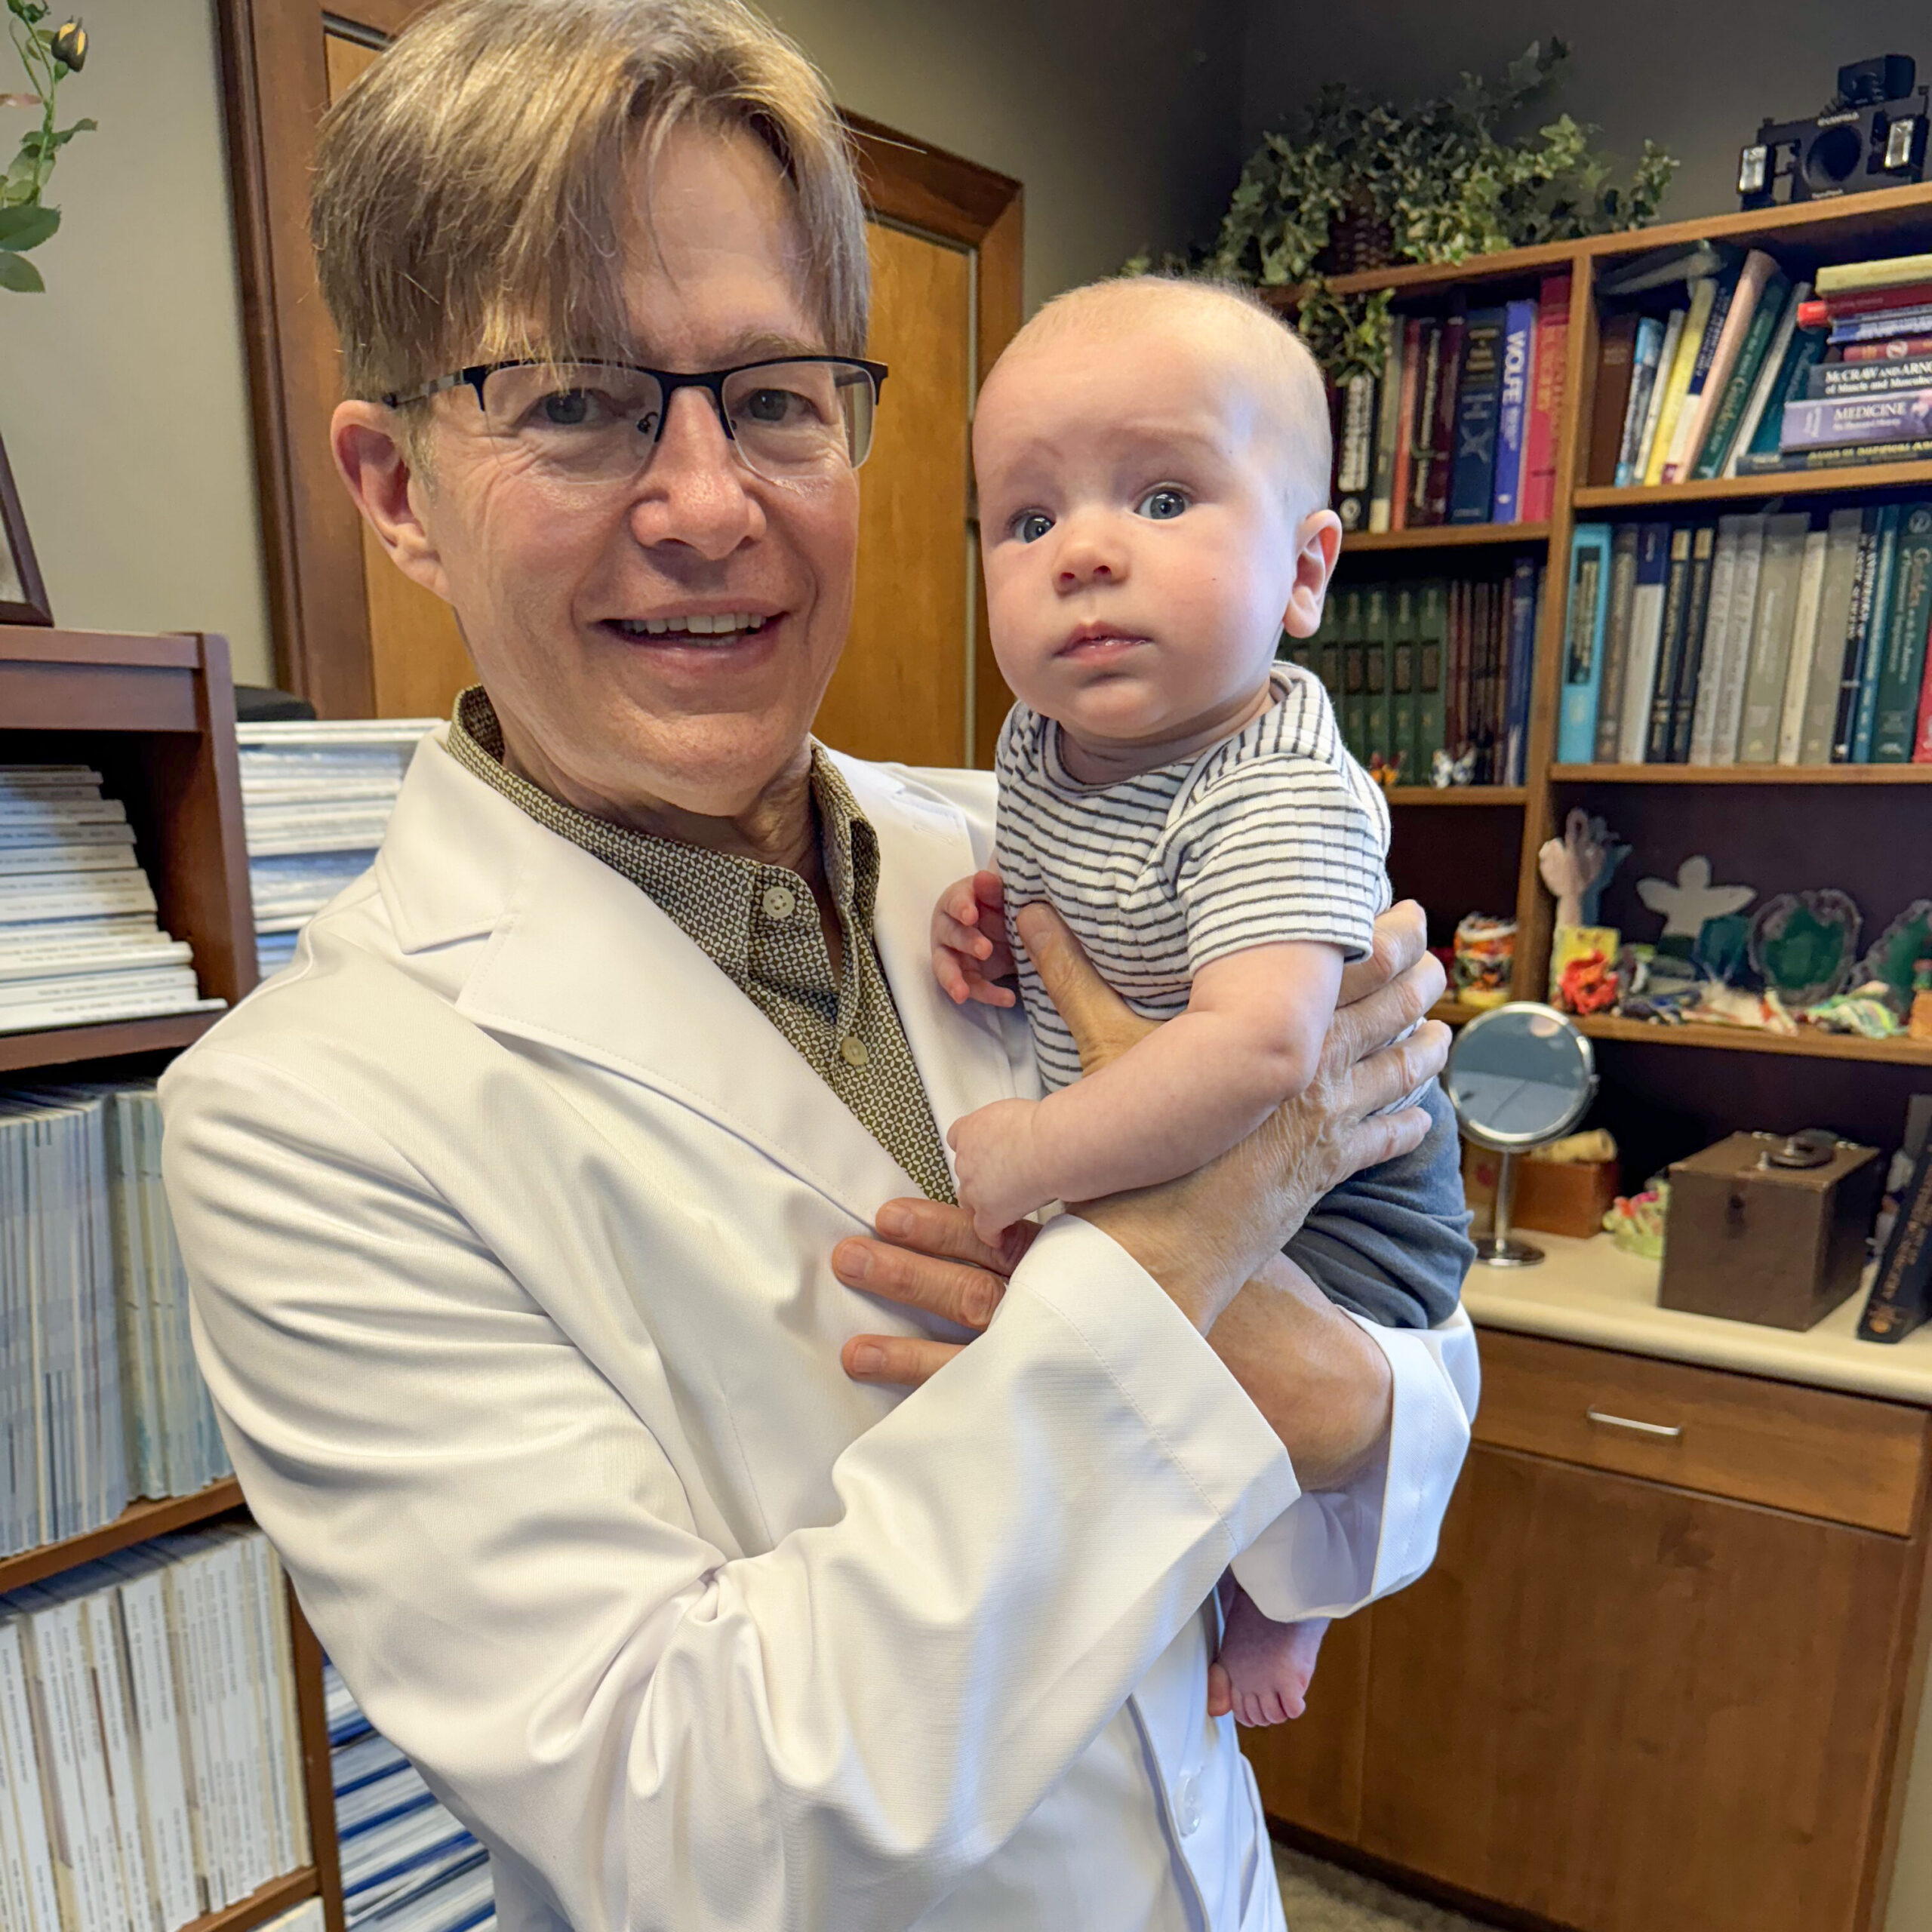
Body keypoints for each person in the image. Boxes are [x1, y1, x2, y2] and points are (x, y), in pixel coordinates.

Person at [157, 4, 1479, 1929]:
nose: (709, 507)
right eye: (576, 400)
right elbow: (684, 1819)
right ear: (391, 489)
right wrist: (1182, 1252)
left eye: (774, 396)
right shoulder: (302, 1124)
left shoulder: (1026, 854)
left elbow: (1405, 1362)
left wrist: (1332, 1387)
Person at [931, 275, 1463, 1729]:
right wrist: (983, 916)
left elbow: (1266, 1048)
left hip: (1356, 1198)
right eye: (1027, 521)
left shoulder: (1275, 783)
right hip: (1191, 1148)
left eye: (1163, 497)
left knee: (1268, 1424)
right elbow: (1067, 903)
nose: (1085, 553)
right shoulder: (1042, 746)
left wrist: (1040, 1155)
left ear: (1304, 573)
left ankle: (1285, 1606)